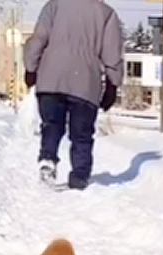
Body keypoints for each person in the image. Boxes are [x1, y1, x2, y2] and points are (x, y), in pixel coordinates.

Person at [23, 0, 124, 190]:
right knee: (82, 133)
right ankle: (79, 176)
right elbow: (112, 54)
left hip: (51, 77)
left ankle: (47, 159)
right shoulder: (106, 13)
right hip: (85, 82)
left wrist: (31, 68)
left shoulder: (54, 6)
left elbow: (39, 39)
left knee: (51, 125)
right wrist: (113, 85)